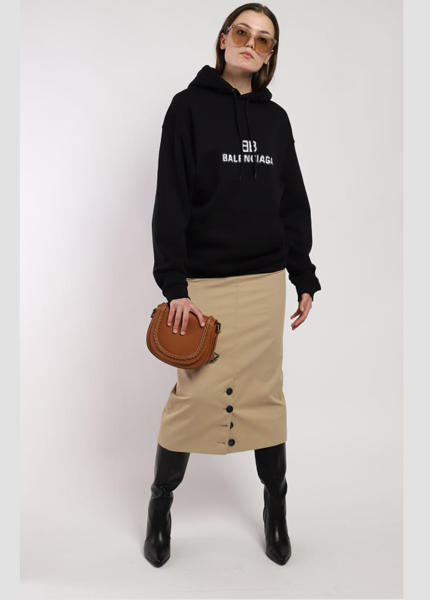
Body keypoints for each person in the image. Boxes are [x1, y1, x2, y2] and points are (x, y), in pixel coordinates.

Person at [144, 3, 322, 568]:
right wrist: (175, 286)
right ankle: (160, 505)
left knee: (265, 398)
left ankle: (276, 507)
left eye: (264, 39)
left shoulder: (276, 121)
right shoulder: (188, 108)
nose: (251, 43)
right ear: (223, 39)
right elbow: (170, 201)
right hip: (204, 288)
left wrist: (303, 275)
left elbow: (292, 203)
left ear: (270, 56)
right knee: (192, 398)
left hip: (265, 283)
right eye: (242, 32)